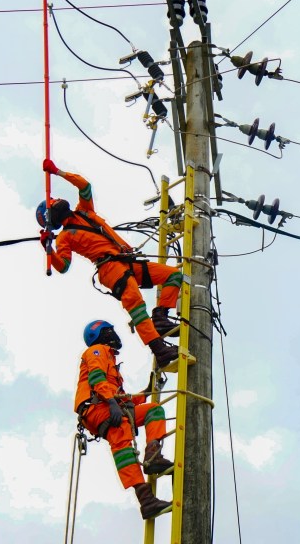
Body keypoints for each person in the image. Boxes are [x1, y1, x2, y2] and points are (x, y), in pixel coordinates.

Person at [38, 159, 183, 368]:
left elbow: (84, 186)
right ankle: (159, 349)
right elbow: (64, 266)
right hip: (109, 267)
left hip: (126, 261)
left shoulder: (85, 211)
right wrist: (49, 250)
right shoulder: (64, 238)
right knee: (136, 303)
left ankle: (160, 317)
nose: (56, 200)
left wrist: (58, 172)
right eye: (52, 202)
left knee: (172, 276)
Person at [76, 319, 174, 520]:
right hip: (98, 408)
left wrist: (145, 393)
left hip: (107, 404)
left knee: (153, 411)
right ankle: (145, 499)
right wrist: (111, 403)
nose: (114, 334)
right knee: (121, 437)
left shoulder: (110, 360)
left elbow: (123, 399)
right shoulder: (97, 351)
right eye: (109, 331)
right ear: (101, 335)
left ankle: (153, 454)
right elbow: (96, 378)